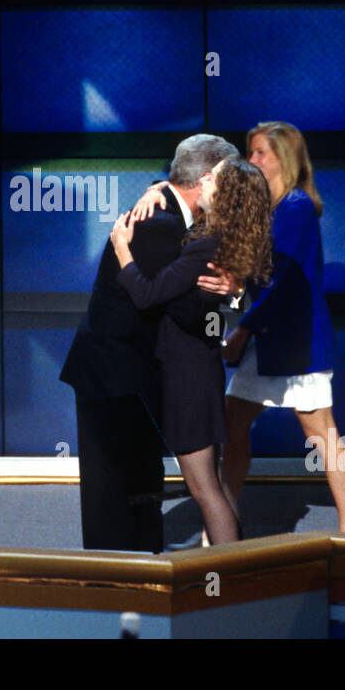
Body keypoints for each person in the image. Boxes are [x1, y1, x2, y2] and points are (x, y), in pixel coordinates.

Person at [60, 134, 237, 553]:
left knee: (137, 486)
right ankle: (118, 584)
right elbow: (185, 311)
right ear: (208, 178)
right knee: (115, 494)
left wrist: (229, 289)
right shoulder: (162, 226)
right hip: (114, 375)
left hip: (131, 376)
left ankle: (141, 572)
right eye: (225, 180)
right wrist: (225, 293)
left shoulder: (169, 215)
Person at [110, 157, 274, 545]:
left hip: (188, 376)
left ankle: (230, 579)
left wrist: (122, 250)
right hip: (198, 370)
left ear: (227, 192)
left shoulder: (205, 245)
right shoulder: (216, 236)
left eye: (213, 177)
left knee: (205, 490)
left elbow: (147, 295)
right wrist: (155, 188)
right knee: (213, 482)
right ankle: (239, 571)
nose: (205, 179)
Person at [222, 123, 345, 534]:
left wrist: (241, 333)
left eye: (259, 153)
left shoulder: (296, 208)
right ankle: (223, 519)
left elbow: (279, 283)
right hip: (268, 341)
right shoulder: (271, 209)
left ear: (284, 158)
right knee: (231, 428)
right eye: (250, 152)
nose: (251, 161)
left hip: (296, 342)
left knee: (321, 432)